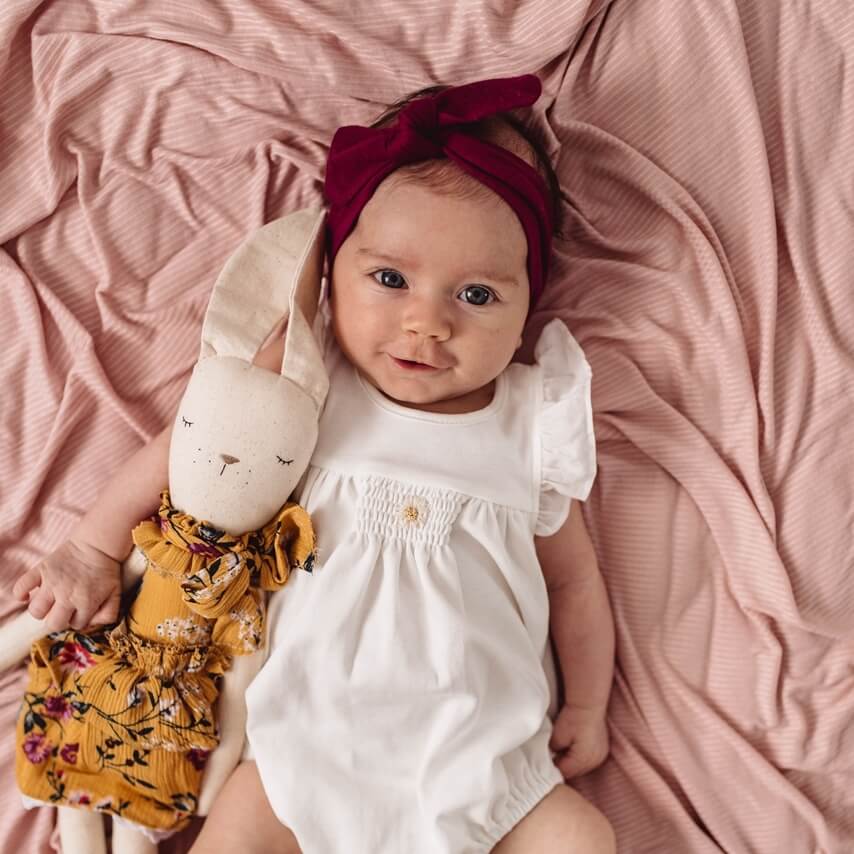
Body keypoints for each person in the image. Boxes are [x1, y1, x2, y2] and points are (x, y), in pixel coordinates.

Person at [13, 75, 616, 853]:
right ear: (334, 270)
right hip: (300, 758)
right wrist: (90, 549)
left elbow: (574, 582)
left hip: (489, 771)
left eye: (475, 294)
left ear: (529, 301)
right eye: (390, 279)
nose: (426, 323)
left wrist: (588, 708)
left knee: (582, 839)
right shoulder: (309, 385)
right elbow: (193, 447)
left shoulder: (532, 426)